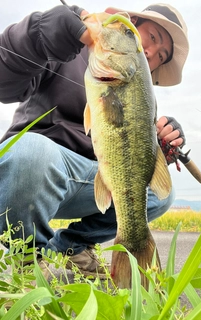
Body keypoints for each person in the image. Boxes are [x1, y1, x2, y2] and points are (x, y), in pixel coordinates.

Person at [0, 3, 189, 277]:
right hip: (34, 172)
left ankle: (73, 247)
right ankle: (26, 260)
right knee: (30, 153)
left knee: (161, 194)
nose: (151, 53)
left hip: (93, 179)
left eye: (161, 56)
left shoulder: (141, 97)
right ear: (132, 23)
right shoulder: (66, 45)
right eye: (152, 38)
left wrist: (160, 145)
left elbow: (122, 150)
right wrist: (39, 34)